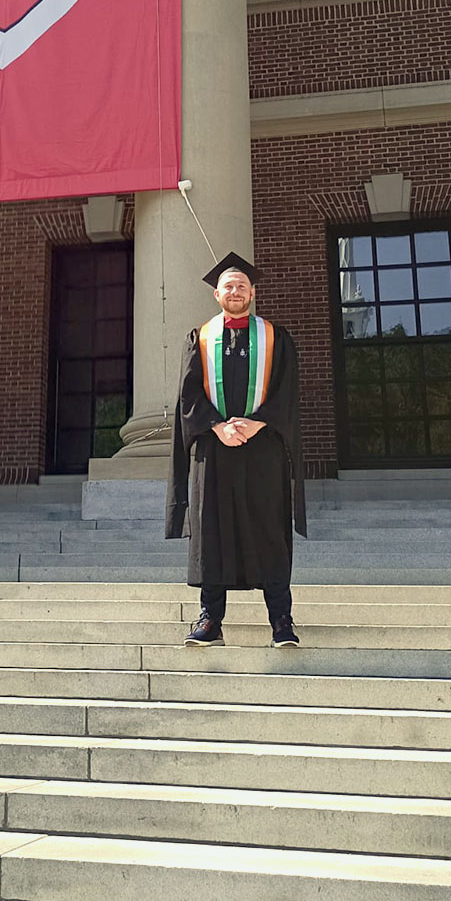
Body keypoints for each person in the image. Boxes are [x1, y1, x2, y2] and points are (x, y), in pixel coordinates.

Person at [167, 250, 306, 647]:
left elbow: (287, 391)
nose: (235, 291)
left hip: (263, 449)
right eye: (228, 286)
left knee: (270, 532)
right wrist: (218, 426)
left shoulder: (275, 338)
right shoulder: (200, 338)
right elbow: (188, 395)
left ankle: (281, 621)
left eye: (242, 286)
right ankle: (211, 620)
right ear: (217, 294)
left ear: (252, 293)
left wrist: (257, 422)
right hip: (214, 451)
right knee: (211, 532)